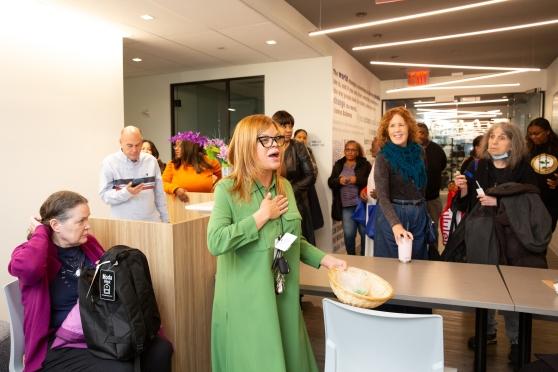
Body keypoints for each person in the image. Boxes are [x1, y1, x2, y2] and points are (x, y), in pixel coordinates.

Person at [206, 114, 346, 372]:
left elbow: (291, 239)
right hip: (247, 305)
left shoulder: (285, 187)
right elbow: (215, 242)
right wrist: (260, 216)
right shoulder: (228, 189)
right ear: (248, 146)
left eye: (278, 139)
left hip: (284, 298)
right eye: (266, 140)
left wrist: (326, 260)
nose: (276, 145)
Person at [8, 191, 172, 372]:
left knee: (160, 349)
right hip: (59, 345)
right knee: (120, 368)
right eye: (80, 221)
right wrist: (40, 232)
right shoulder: (32, 254)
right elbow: (29, 269)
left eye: (88, 219)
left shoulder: (89, 244)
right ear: (55, 225)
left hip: (98, 331)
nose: (88, 226)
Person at [455, 121, 551, 366]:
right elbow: (469, 207)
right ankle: (487, 331)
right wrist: (464, 190)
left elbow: (531, 209)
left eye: (502, 137)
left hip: (513, 240)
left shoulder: (524, 170)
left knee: (512, 289)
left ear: (514, 142)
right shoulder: (482, 167)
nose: (494, 141)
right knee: (484, 285)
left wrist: (498, 204)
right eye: (492, 137)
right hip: (484, 237)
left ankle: (517, 339)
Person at [373, 107, 429, 260]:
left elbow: (422, 187)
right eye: (392, 126)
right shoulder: (383, 156)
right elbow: (382, 197)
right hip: (393, 214)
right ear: (386, 131)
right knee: (391, 267)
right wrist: (395, 225)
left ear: (409, 127)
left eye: (401, 125)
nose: (397, 130)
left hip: (418, 214)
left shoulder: (420, 152)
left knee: (418, 264)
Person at [99, 126, 168, 222]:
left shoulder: (151, 161)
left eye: (138, 145)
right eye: (130, 146)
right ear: (121, 143)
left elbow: (159, 195)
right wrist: (126, 193)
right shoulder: (109, 163)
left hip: (152, 223)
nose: (134, 150)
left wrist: (166, 220)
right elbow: (105, 196)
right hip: (123, 225)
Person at [272, 111, 317, 244]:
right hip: (273, 202)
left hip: (296, 202)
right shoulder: (269, 145)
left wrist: (288, 191)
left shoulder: (298, 146)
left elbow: (311, 175)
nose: (289, 130)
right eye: (284, 126)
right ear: (274, 126)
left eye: (291, 126)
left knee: (295, 242)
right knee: (277, 246)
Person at [328, 140, 371, 255]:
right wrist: (339, 180)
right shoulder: (339, 164)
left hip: (361, 205)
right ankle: (352, 258)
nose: (350, 152)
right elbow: (331, 182)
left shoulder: (365, 164)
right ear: (344, 151)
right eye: (347, 149)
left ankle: (364, 257)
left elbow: (371, 181)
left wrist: (357, 180)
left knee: (364, 233)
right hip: (346, 206)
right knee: (349, 235)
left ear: (357, 152)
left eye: (353, 150)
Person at [416, 123, 447, 259]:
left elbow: (442, 165)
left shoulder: (437, 149)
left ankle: (433, 255)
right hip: (414, 200)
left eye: (423, 132)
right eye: (417, 132)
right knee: (417, 229)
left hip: (432, 199)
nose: (420, 135)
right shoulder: (409, 150)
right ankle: (419, 255)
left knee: (433, 228)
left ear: (427, 133)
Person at [162, 132, 222, 203]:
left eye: (180, 146)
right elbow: (162, 183)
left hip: (205, 205)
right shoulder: (172, 164)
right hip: (179, 208)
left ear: (190, 148)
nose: (176, 148)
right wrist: (175, 189)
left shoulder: (210, 162)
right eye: (175, 146)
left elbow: (223, 179)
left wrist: (215, 189)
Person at [526, 117, 558, 232]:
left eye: (537, 133)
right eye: (530, 134)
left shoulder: (556, 148)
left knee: (546, 231)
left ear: (547, 131)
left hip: (551, 199)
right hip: (531, 198)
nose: (533, 137)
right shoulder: (528, 149)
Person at [293, 128, 324, 230]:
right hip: (296, 189)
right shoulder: (290, 150)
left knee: (308, 218)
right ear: (294, 138)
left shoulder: (308, 151)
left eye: (304, 138)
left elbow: (314, 169)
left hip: (308, 188)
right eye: (299, 137)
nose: (302, 140)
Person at [359, 136, 380, 256]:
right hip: (372, 207)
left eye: (373, 144)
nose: (371, 147)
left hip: (380, 210)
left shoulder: (386, 162)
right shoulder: (376, 162)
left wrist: (382, 194)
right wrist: (365, 190)